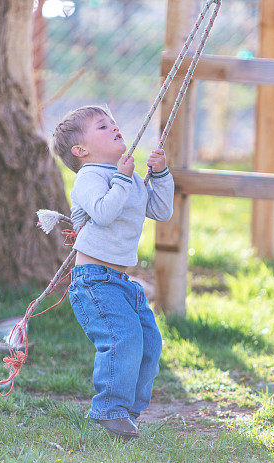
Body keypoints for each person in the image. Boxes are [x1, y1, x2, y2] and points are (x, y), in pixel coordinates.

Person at [50, 105, 173, 439]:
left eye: (114, 123)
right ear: (81, 151)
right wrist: (122, 179)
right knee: (122, 338)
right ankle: (109, 409)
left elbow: (160, 211)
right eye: (102, 127)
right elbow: (103, 213)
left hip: (121, 281)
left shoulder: (128, 178)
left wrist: (159, 176)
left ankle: (127, 413)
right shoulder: (89, 179)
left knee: (149, 342)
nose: (115, 128)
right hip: (94, 281)